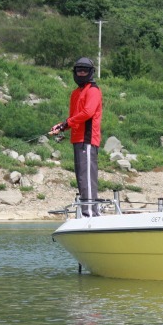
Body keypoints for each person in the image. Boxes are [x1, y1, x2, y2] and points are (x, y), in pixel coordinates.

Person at [49, 57, 103, 216]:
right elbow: (74, 118)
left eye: (84, 70)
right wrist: (61, 126)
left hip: (87, 140)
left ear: (90, 72)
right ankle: (87, 211)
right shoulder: (75, 93)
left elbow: (87, 113)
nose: (81, 73)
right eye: (78, 70)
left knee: (87, 178)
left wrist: (66, 124)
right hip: (77, 140)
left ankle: (91, 213)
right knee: (81, 177)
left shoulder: (93, 90)